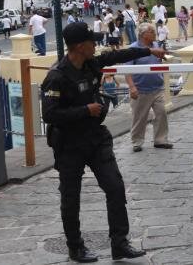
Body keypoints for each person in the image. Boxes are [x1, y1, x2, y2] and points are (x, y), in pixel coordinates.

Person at [41, 22, 163, 262]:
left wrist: (149, 51)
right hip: (69, 144)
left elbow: (119, 54)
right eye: (91, 41)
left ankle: (119, 243)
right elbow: (50, 115)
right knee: (70, 197)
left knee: (115, 188)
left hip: (95, 139)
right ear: (79, 46)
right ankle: (75, 247)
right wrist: (85, 110)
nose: (95, 44)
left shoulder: (92, 63)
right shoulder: (57, 77)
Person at [125, 23, 173, 152]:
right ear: (143, 35)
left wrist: (163, 57)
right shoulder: (133, 49)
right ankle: (137, 142)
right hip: (141, 89)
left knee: (161, 113)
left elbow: (158, 62)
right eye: (151, 31)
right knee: (139, 117)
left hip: (157, 87)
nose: (154, 33)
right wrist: (131, 87)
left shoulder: (156, 45)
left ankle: (160, 140)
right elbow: (127, 70)